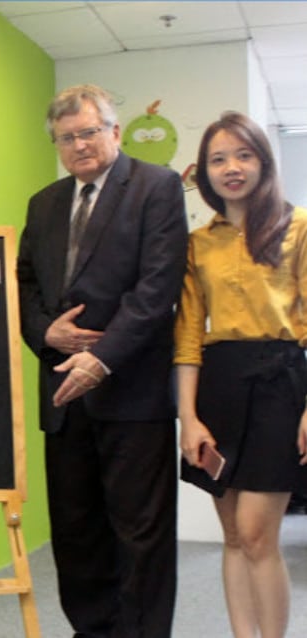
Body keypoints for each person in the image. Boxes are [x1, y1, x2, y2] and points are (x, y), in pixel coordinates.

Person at [16, 84, 188, 637]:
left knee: (141, 536)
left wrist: (101, 358)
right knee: (76, 532)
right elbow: (24, 285)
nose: (79, 145)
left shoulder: (157, 187)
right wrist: (46, 332)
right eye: (66, 138)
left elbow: (157, 289)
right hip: (64, 397)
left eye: (89, 132)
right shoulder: (43, 203)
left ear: (114, 131)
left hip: (132, 393)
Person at [175, 111, 307, 638]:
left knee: (257, 534)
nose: (232, 167)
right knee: (232, 534)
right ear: (205, 172)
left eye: (243, 155)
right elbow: (188, 336)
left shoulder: (298, 226)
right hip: (219, 388)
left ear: (263, 162)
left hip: (280, 384)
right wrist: (188, 417)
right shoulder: (198, 243)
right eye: (218, 159)